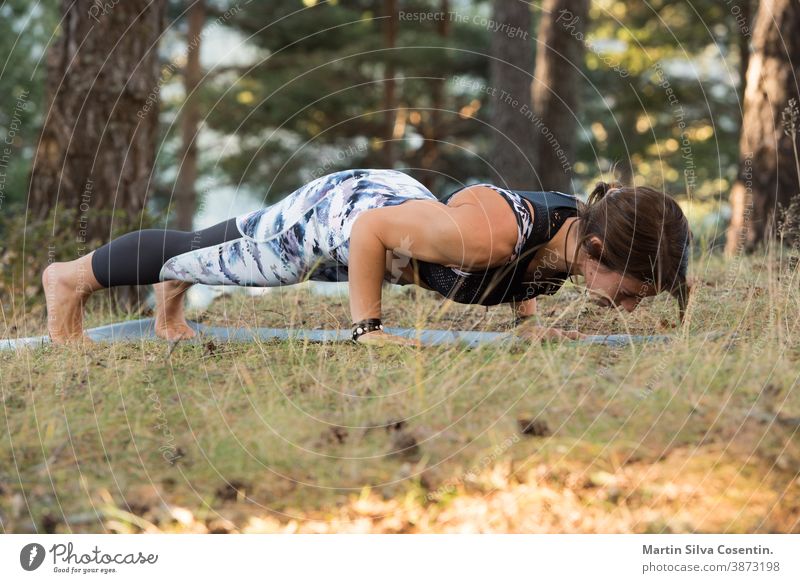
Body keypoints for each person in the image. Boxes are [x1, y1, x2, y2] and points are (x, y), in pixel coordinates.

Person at [41, 168, 691, 346]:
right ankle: (67, 281)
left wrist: (528, 319)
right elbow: (373, 232)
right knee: (218, 255)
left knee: (218, 249)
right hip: (353, 217)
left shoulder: (570, 237)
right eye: (633, 290)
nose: (628, 306)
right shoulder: (491, 236)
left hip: (394, 218)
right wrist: (369, 330)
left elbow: (521, 266)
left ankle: (170, 299)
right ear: (601, 249)